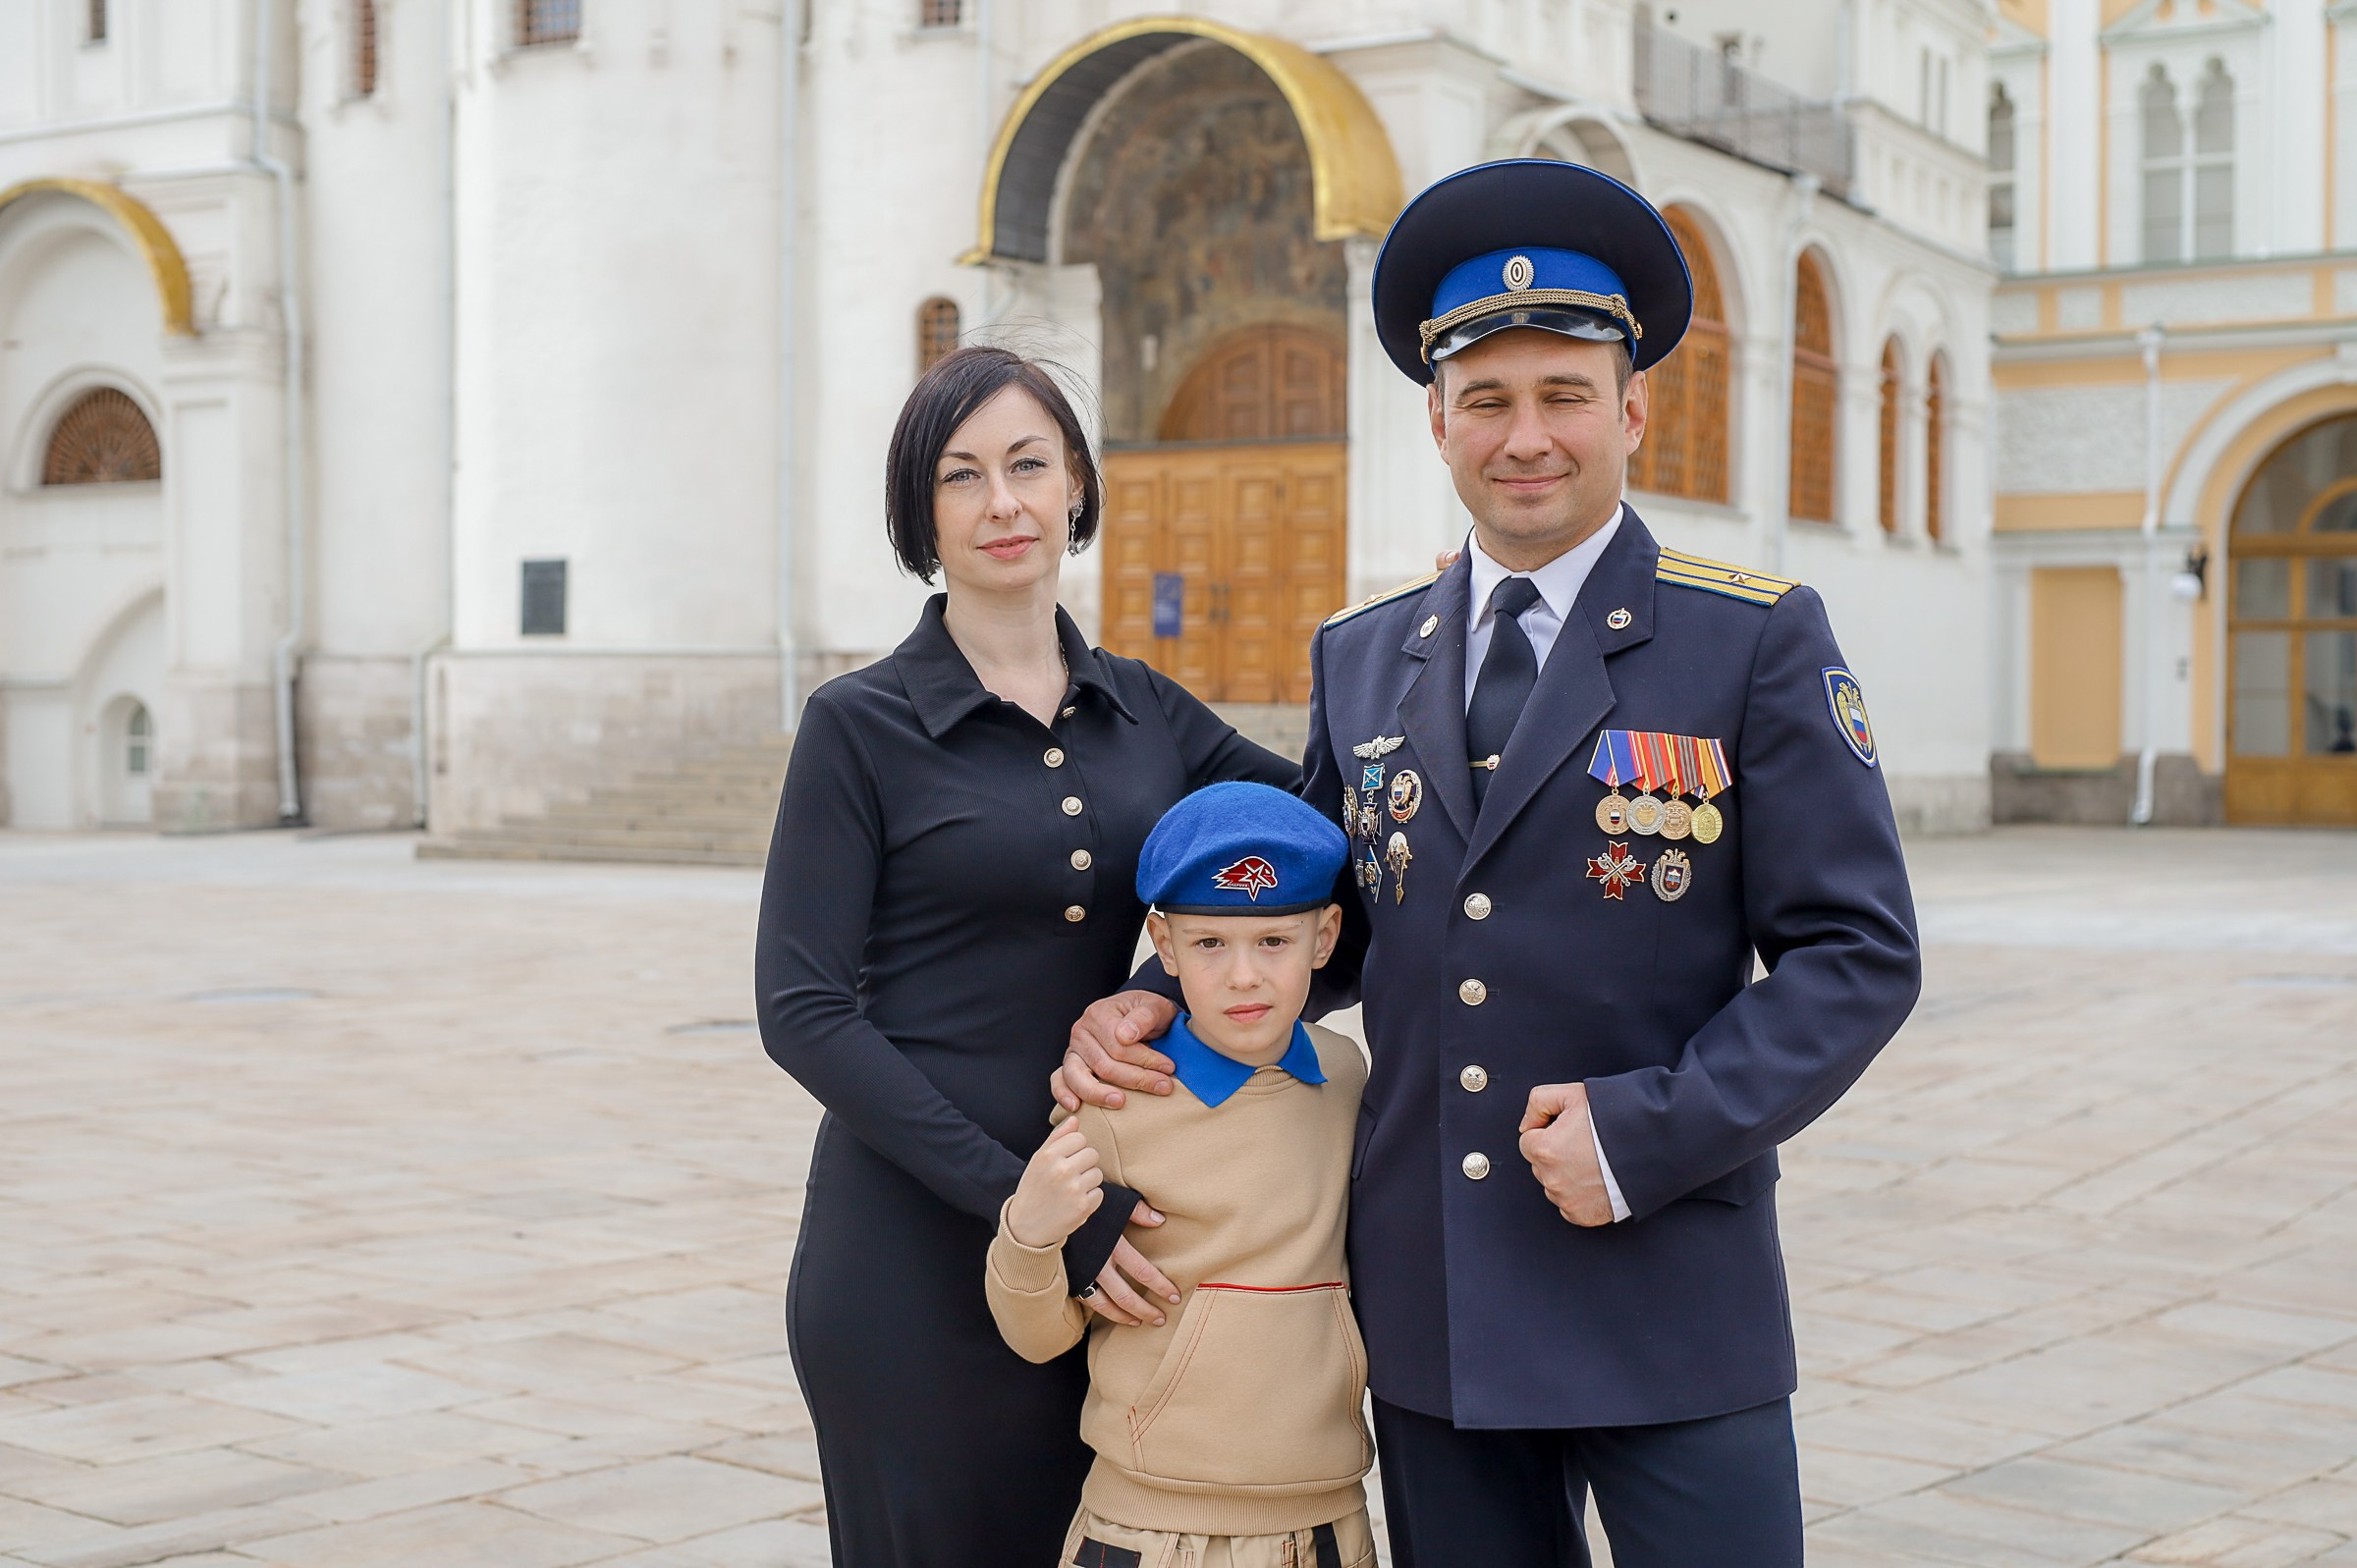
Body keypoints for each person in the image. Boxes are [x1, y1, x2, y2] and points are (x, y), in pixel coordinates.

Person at [1058, 161, 1923, 1566]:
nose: (1528, 437)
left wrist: (1648, 1133)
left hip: (1666, 1290)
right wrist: (1156, 990)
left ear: (1633, 408)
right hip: (1438, 1305)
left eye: (1565, 395)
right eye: (1490, 401)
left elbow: (1859, 955)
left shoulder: (1750, 641)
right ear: (1439, 421)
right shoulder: (1366, 654)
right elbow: (1319, 911)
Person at [755, 345, 1296, 1566]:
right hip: (913, 1257)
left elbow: (1321, 852)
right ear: (921, 514)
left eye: (1029, 465)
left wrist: (1156, 992)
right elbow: (800, 1009)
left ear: (1076, 490)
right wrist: (1033, 1205)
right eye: (962, 475)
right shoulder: (859, 725)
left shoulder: (1147, 711)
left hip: (1111, 1255)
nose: (1003, 501)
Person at [988, 781, 1374, 1568]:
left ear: (1326, 935)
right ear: (1162, 947)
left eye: (1274, 942)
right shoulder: (1115, 1105)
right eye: (1209, 944)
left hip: (1328, 1518)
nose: (1244, 977)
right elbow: (1037, 1335)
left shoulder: (1348, 1078)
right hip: (1149, 1529)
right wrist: (1028, 1229)